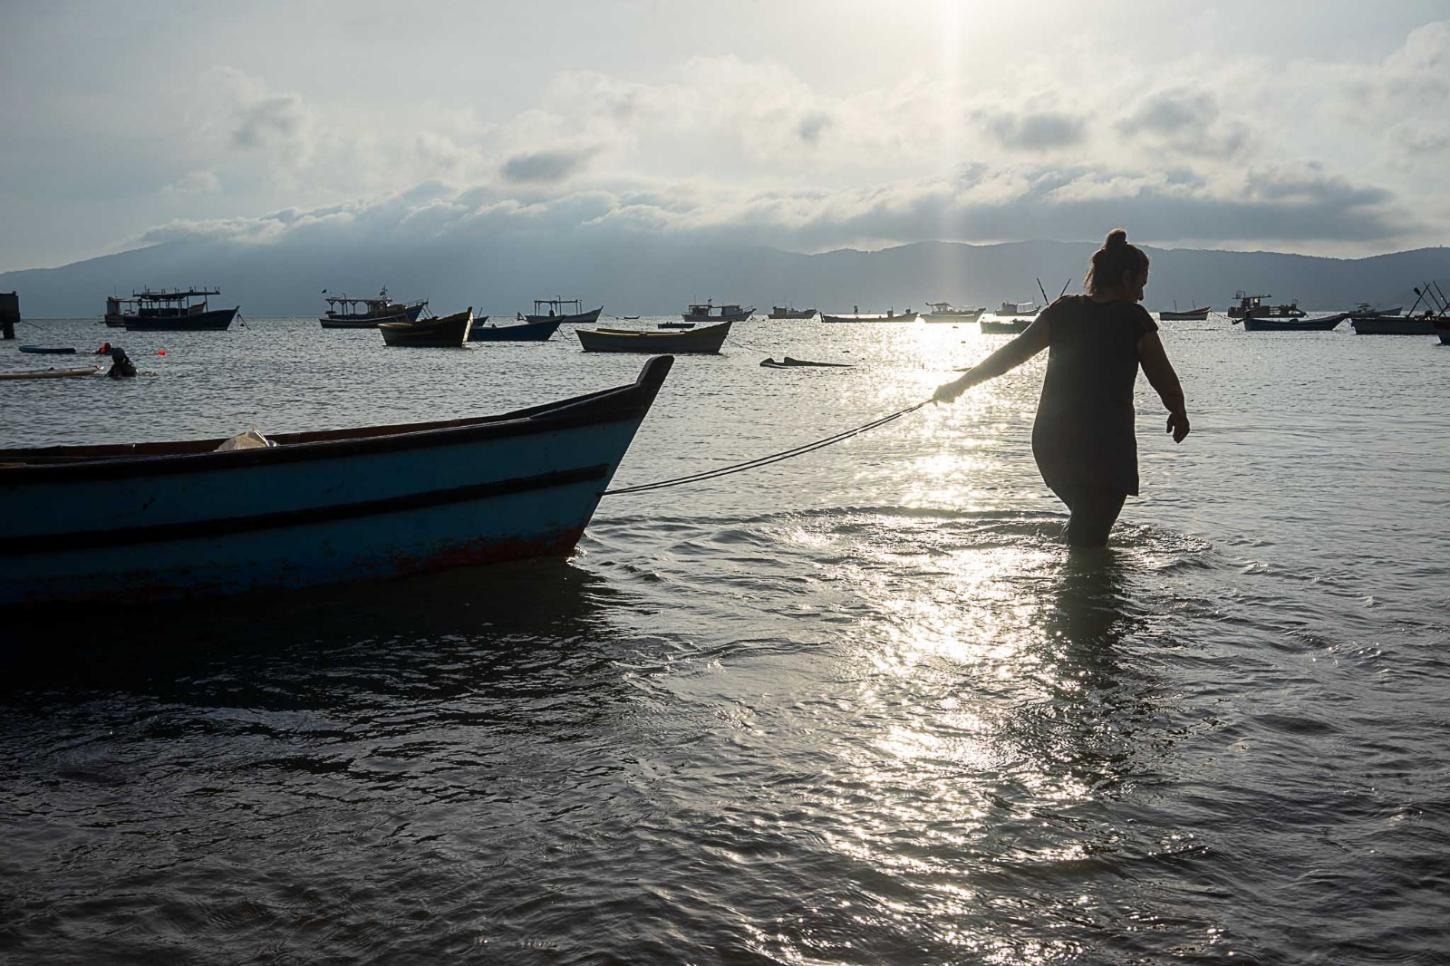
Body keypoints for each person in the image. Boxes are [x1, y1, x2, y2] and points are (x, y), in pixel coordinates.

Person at [933, 228, 1189, 548]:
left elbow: (1010, 356)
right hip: (1105, 447)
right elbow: (1162, 375)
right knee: (1091, 535)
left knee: (1085, 524)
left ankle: (1075, 587)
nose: (1141, 296)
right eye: (1140, 285)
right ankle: (1088, 594)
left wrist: (960, 384)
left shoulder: (1062, 311)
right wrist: (1178, 410)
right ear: (1126, 278)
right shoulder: (1134, 318)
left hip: (1053, 444)